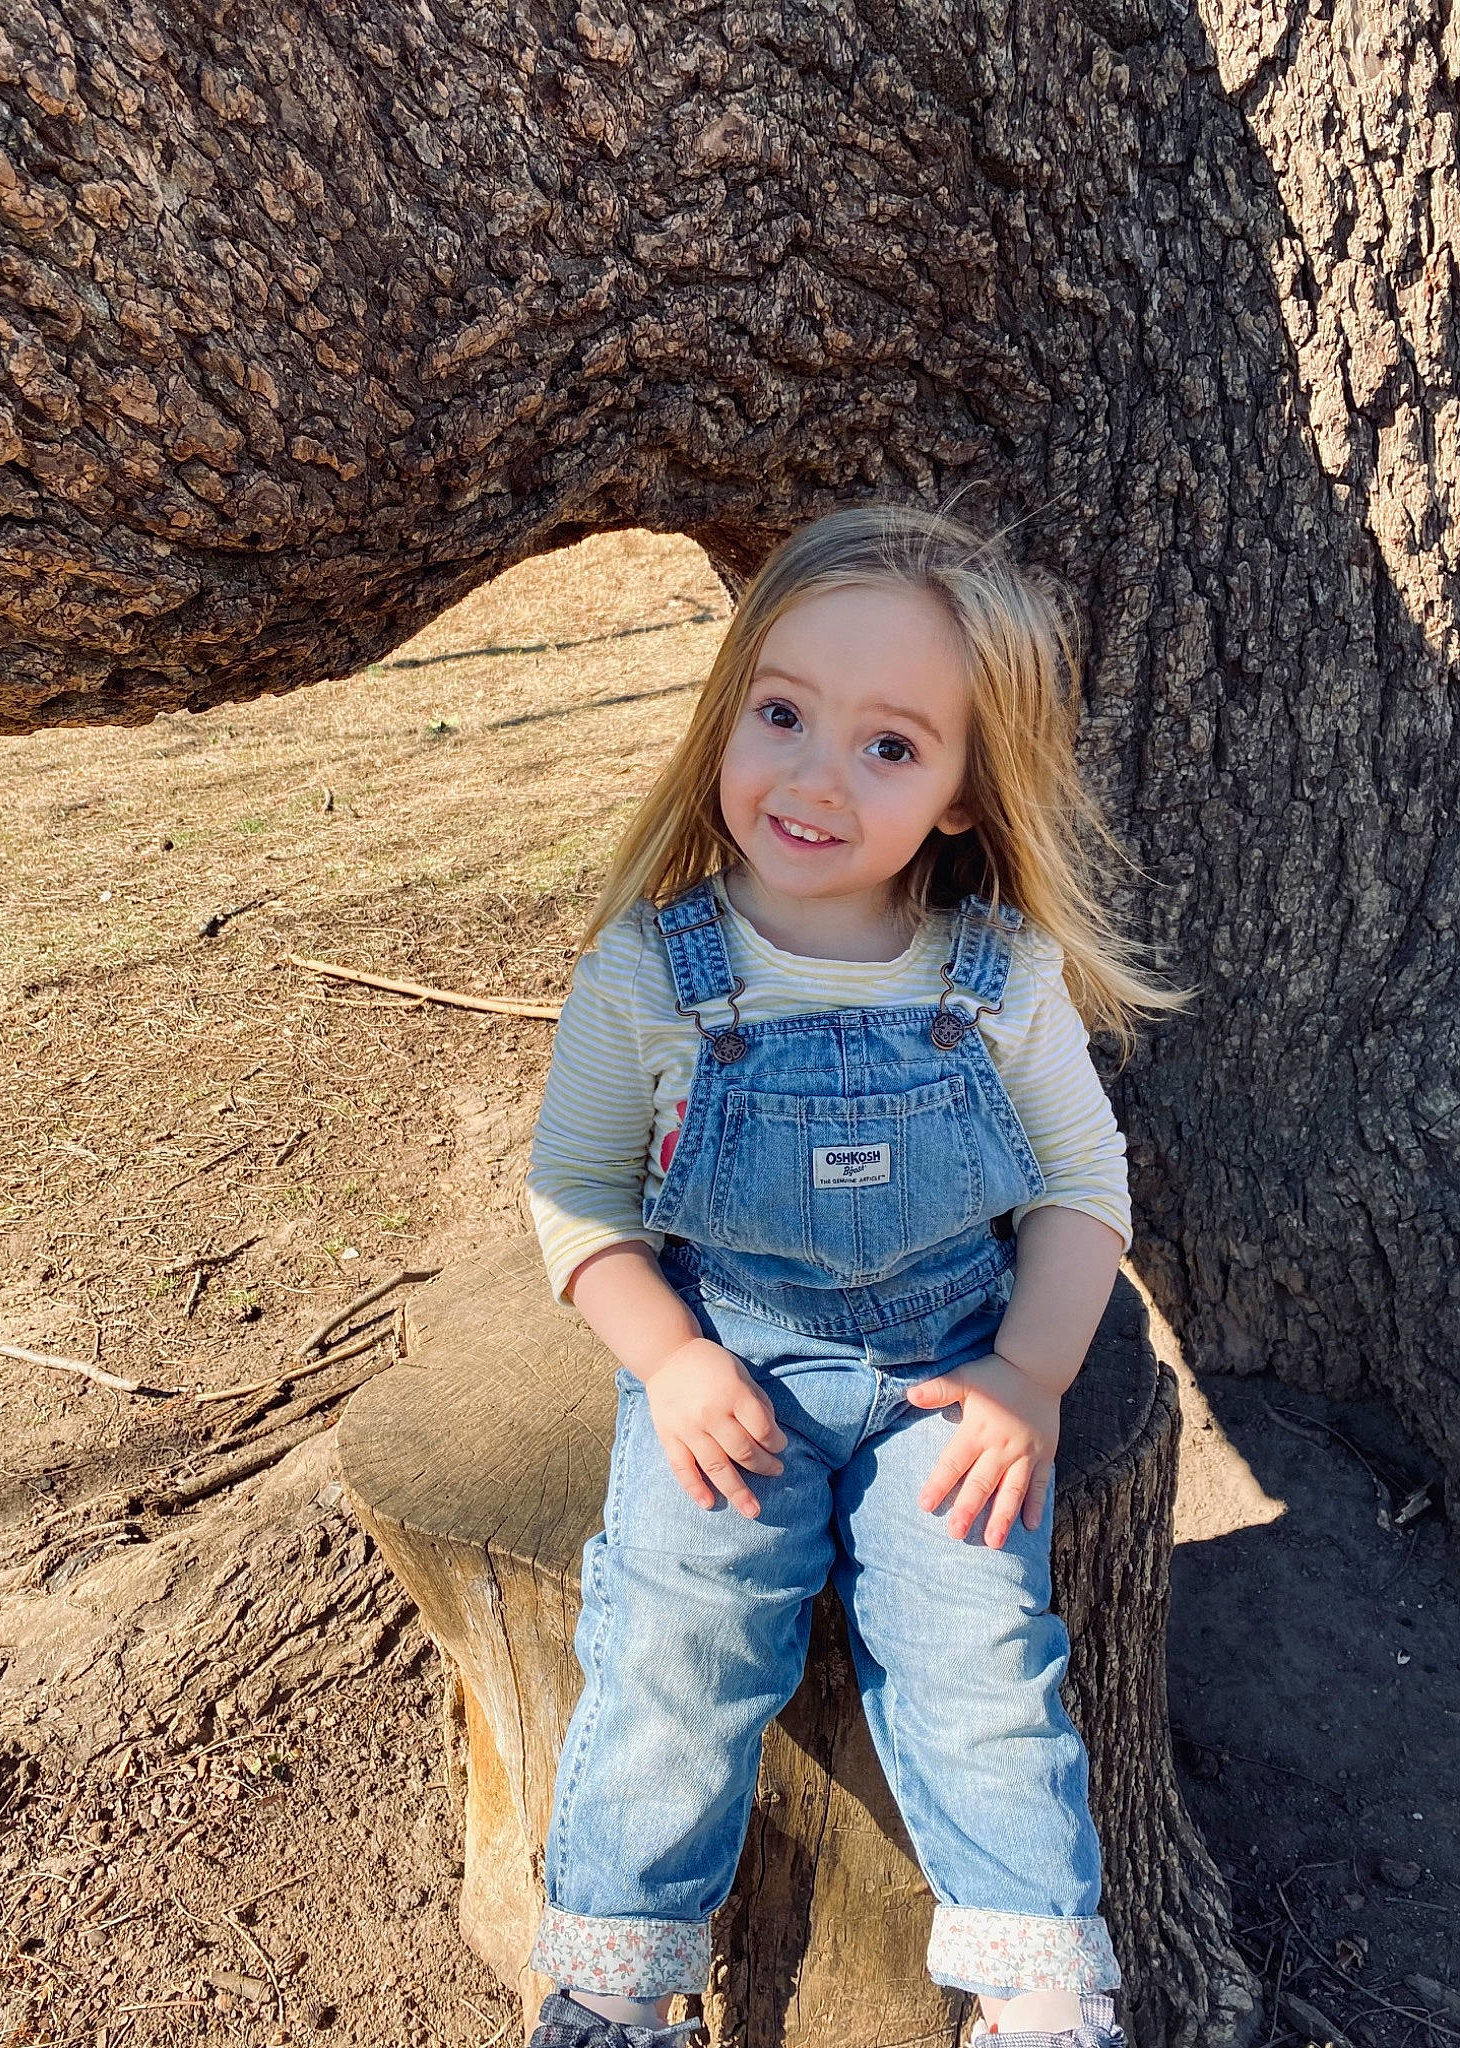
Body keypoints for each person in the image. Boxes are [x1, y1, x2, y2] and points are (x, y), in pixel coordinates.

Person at [522, 499, 1192, 2048]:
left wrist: (1029, 1375)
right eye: (782, 715)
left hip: (946, 1375)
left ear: (966, 794)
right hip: (728, 1369)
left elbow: (1081, 1188)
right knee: (678, 1636)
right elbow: (578, 1198)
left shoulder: (998, 978)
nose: (817, 777)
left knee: (979, 1649)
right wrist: (670, 1359)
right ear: (726, 714)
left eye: (891, 746)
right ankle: (617, 1976)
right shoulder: (652, 970)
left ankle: (1038, 1987)